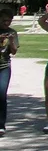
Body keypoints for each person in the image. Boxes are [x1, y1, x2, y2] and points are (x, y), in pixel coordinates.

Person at [0, 8, 20, 136]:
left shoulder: (12, 32)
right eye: (4, 20)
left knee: (2, 94)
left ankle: (1, 124)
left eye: (9, 21)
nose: (7, 23)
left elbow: (13, 51)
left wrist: (11, 41)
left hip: (4, 66)